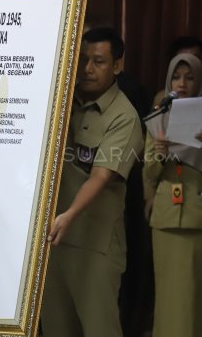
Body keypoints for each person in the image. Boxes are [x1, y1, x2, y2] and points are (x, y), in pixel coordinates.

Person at [41, 27, 144, 337]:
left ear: (117, 66)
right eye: (83, 59)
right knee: (57, 328)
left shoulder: (123, 116)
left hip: (94, 246)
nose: (87, 69)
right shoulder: (59, 101)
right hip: (52, 242)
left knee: (100, 329)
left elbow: (100, 176)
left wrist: (69, 216)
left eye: (98, 61)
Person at [143, 52, 202, 337]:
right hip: (166, 216)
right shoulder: (159, 114)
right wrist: (159, 152)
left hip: (197, 216)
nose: (182, 83)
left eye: (189, 78)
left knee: (192, 296)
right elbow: (149, 175)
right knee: (167, 293)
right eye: (177, 77)